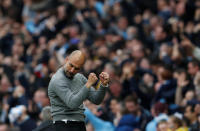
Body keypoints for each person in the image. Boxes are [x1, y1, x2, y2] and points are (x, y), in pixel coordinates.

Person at [48, 50, 109, 131]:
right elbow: (72, 103)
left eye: (77, 68)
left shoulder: (80, 78)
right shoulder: (57, 79)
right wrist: (88, 84)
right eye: (71, 65)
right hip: (63, 124)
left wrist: (103, 85)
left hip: (80, 124)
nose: (72, 70)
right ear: (66, 60)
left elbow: (96, 100)